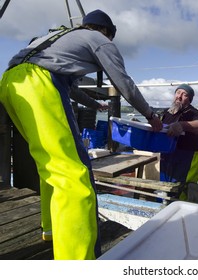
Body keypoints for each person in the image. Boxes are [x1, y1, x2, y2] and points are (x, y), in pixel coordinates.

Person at [0, 9, 162, 260]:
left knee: (51, 165)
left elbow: (70, 87)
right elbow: (124, 84)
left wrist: (94, 105)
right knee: (75, 176)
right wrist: (151, 115)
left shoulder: (58, 38)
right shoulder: (100, 40)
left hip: (11, 83)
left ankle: (51, 229)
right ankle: (76, 260)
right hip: (40, 83)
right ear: (107, 32)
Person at [160, 84, 198, 200]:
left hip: (187, 157)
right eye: (178, 93)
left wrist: (183, 125)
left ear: (189, 99)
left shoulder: (192, 112)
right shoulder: (167, 112)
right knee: (164, 189)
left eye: (184, 95)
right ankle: (163, 209)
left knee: (182, 192)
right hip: (167, 156)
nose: (179, 97)